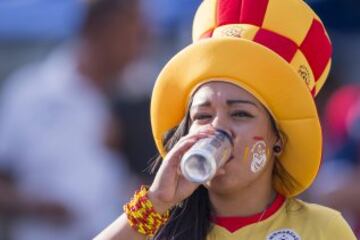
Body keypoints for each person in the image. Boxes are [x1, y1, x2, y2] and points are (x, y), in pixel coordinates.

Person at [95, 0, 357, 239]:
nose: (217, 127)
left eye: (240, 114)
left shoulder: (323, 229)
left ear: (277, 137)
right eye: (203, 115)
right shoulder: (156, 227)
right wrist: (156, 201)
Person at [0, 0, 141, 239]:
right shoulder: (30, 93)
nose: (138, 48)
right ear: (99, 31)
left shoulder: (139, 94)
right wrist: (37, 205)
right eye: (133, 35)